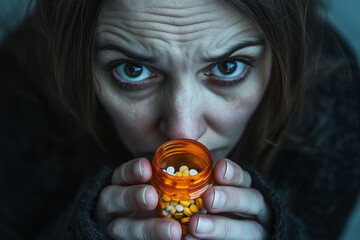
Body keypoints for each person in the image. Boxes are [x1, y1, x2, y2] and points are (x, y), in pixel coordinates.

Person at [0, 0, 359, 239]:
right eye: (133, 70)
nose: (183, 132)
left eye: (227, 67)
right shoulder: (16, 95)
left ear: (281, 54)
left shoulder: (331, 100)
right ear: (76, 59)